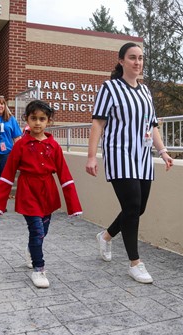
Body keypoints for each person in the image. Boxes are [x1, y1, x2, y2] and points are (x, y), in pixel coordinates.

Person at [86, 42, 173, 284]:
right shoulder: (110, 88)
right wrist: (92, 156)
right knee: (133, 206)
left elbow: (152, 125)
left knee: (137, 208)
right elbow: (98, 124)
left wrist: (163, 151)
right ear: (122, 61)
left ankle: (105, 236)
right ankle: (135, 263)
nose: (138, 62)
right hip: (119, 155)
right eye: (132, 57)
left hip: (143, 157)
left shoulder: (145, 91)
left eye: (141, 58)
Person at [0, 100, 82, 288]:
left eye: (42, 119)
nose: (38, 123)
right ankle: (39, 269)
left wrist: (73, 205)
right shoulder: (21, 145)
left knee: (43, 231)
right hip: (28, 192)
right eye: (34, 118)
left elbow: (64, 175)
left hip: (48, 192)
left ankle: (32, 250)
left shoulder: (54, 146)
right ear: (27, 120)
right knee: (37, 230)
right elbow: (7, 174)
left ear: (48, 121)